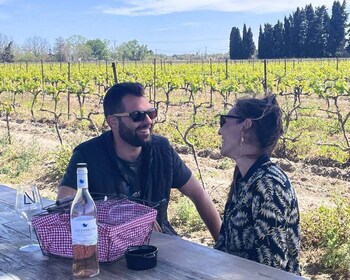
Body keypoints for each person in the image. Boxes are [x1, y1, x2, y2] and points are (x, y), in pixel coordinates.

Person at [57, 82, 221, 240]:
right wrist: (131, 219)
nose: (148, 121)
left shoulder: (162, 151)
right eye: (137, 116)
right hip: (109, 250)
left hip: (160, 243)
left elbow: (199, 195)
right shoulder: (87, 156)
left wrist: (222, 248)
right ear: (113, 121)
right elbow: (64, 206)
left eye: (151, 113)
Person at [214, 95, 300, 274]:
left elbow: (271, 271)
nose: (219, 131)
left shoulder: (268, 186)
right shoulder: (244, 176)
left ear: (245, 125)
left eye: (224, 121)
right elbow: (224, 246)